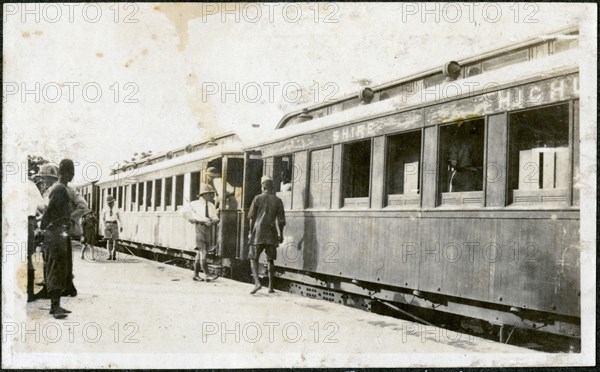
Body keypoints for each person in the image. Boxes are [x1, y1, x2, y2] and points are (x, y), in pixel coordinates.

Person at [40, 165, 74, 319]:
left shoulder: (60, 188)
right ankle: (55, 306)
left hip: (59, 231)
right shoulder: (60, 188)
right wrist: (43, 228)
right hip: (56, 232)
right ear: (63, 172)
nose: (72, 175)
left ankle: (56, 305)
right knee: (56, 266)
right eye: (70, 172)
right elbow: (50, 210)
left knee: (60, 266)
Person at [247, 175, 285, 294]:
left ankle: (257, 283)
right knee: (270, 260)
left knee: (253, 258)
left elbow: (251, 218)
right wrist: (281, 234)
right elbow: (281, 220)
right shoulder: (278, 200)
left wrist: (250, 232)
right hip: (271, 232)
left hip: (258, 233)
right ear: (272, 187)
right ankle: (270, 287)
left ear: (263, 187)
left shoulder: (257, 198)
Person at [181, 183, 219, 282]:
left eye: (212, 194)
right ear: (203, 195)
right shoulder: (194, 204)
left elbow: (216, 218)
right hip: (198, 228)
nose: (211, 196)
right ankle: (207, 275)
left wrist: (212, 222)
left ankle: (196, 275)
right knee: (203, 252)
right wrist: (190, 219)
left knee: (199, 253)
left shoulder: (211, 205)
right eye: (209, 194)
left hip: (207, 229)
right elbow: (181, 211)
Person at [26, 179, 46, 302]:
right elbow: (42, 207)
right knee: (27, 257)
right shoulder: (30, 185)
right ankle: (29, 293)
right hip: (28, 221)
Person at [101, 195, 122, 260]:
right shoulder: (104, 209)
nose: (110, 204)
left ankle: (114, 252)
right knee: (108, 241)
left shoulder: (116, 208)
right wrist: (104, 226)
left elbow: (119, 218)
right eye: (109, 203)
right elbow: (102, 219)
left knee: (116, 241)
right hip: (107, 224)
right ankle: (109, 255)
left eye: (111, 202)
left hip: (114, 224)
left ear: (113, 202)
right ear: (107, 203)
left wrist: (121, 225)